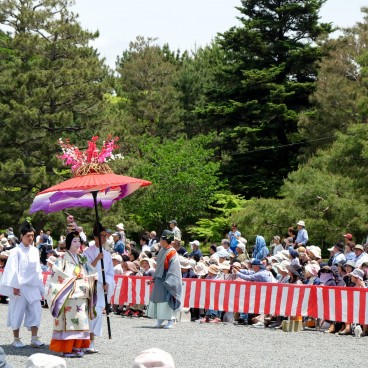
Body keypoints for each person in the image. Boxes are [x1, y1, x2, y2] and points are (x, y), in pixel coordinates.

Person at [47, 231, 97, 358]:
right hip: (68, 294)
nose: (78, 244)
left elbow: (90, 271)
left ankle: (76, 346)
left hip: (81, 294)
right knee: (68, 321)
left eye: (79, 241)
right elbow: (56, 273)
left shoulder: (81, 258)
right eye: (74, 241)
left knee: (80, 320)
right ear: (69, 243)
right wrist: (72, 278)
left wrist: (92, 277)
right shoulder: (62, 258)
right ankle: (65, 348)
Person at [0, 220, 45, 348]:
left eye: (32, 236)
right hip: (19, 287)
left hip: (33, 286)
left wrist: (41, 287)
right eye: (28, 236)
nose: (30, 238)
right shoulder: (15, 251)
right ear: (21, 236)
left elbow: (38, 270)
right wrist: (14, 286)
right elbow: (12, 269)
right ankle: (16, 338)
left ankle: (34, 338)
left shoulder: (35, 251)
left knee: (36, 311)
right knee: (17, 312)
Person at [83, 222, 115, 353]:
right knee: (90, 313)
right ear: (95, 237)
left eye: (105, 236)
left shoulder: (107, 254)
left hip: (101, 287)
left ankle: (92, 341)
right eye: (101, 236)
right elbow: (86, 269)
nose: (104, 238)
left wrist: (108, 282)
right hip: (91, 286)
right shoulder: (87, 252)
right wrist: (97, 258)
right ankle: (87, 340)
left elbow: (110, 272)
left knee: (98, 313)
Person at [147, 230, 182, 329]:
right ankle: (159, 319)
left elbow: (174, 268)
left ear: (166, 240)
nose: (160, 241)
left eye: (161, 240)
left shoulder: (172, 252)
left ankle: (171, 320)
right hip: (159, 278)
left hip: (168, 278)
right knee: (158, 299)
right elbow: (158, 266)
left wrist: (170, 280)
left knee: (167, 300)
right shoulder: (162, 250)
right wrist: (154, 278)